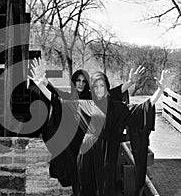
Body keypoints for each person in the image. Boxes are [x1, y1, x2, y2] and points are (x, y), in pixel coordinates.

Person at [29, 66, 171, 196]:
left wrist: (160, 89)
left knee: (105, 188)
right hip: (86, 154)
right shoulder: (85, 105)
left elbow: (142, 108)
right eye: (95, 86)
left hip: (107, 154)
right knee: (86, 188)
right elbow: (58, 101)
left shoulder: (118, 108)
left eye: (101, 85)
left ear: (106, 87)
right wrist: (41, 84)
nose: (98, 89)